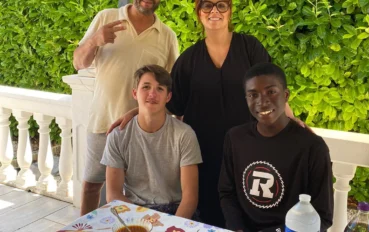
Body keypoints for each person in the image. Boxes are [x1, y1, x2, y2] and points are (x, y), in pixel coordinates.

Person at [108, 0, 303, 226]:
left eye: (221, 5)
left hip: (247, 152)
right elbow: (170, 103)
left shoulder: (250, 48)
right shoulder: (189, 59)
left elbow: (271, 90)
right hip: (204, 154)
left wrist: (291, 119)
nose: (214, 12)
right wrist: (135, 111)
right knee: (209, 216)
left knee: (247, 216)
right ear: (198, 13)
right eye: (207, 6)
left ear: (229, 11)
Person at [73, 0, 179, 215]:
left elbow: (170, 88)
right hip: (103, 120)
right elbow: (78, 63)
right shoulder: (106, 17)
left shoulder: (167, 35)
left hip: (143, 130)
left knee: (140, 194)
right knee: (92, 185)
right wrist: (94, 40)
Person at [218, 63, 334, 232]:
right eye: (253, 95)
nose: (262, 102)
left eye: (271, 92)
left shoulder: (312, 147)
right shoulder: (235, 138)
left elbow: (323, 216)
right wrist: (238, 228)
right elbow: (227, 192)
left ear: (286, 95)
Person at [101, 65, 202, 219]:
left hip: (176, 212)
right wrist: (143, 223)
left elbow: (190, 198)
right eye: (146, 87)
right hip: (132, 210)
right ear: (135, 93)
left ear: (168, 97)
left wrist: (170, 228)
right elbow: (113, 194)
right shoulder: (118, 136)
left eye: (160, 89)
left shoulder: (184, 134)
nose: (152, 93)